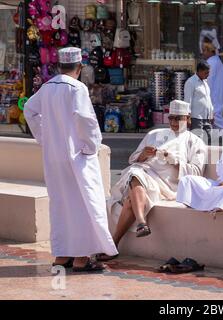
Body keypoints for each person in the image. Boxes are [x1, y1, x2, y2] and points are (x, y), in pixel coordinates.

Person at [24, 47, 117, 272]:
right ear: (80, 67)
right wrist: (90, 146)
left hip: (54, 157)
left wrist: (46, 138)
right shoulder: (77, 88)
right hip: (78, 158)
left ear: (59, 66)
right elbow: (86, 120)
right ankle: (82, 258)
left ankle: (62, 255)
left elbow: (29, 109)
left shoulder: (47, 88)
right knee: (85, 204)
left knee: (61, 204)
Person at [99, 100, 207, 261]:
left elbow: (197, 173)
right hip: (144, 175)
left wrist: (174, 161)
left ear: (188, 119)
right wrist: (144, 155)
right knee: (136, 172)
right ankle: (139, 224)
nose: (173, 122)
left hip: (167, 185)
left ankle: (118, 240)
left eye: (178, 118)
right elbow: (134, 159)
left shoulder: (195, 141)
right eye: (171, 118)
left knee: (132, 191)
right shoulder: (154, 134)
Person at [202, 41, 223, 131]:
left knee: (215, 117)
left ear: (210, 51)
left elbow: (207, 81)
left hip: (212, 95)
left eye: (204, 50)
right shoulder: (216, 61)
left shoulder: (211, 63)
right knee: (215, 117)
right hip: (215, 94)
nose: (202, 53)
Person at [184, 60, 214, 144]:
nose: (208, 75)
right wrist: (188, 117)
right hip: (196, 118)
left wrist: (211, 113)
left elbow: (208, 99)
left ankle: (207, 157)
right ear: (200, 71)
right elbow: (187, 100)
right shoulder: (190, 82)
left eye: (208, 72)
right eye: (206, 73)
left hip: (207, 118)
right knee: (197, 141)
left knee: (209, 139)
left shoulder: (205, 82)